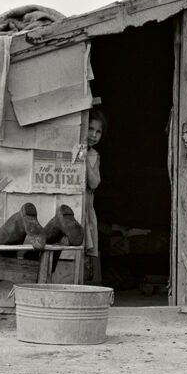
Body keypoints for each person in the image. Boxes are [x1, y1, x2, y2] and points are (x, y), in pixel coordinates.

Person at [83, 108, 106, 284]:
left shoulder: (93, 155)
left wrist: (85, 159)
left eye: (98, 132)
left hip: (86, 208)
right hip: (71, 206)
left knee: (88, 247)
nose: (93, 135)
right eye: (90, 129)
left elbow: (94, 183)